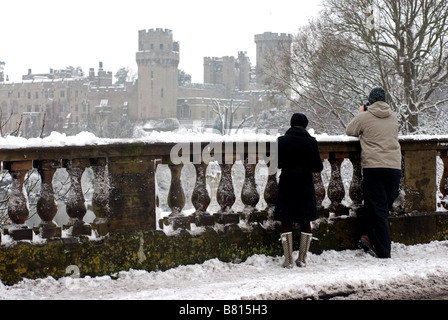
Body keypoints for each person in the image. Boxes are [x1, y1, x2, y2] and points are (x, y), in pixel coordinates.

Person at [346, 87, 402, 258]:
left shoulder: (365, 116)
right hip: (393, 167)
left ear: (370, 101)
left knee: (377, 208)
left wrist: (360, 113)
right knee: (382, 206)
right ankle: (367, 237)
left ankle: (384, 250)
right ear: (385, 101)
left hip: (374, 166)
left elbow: (350, 130)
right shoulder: (393, 116)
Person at [274, 113, 323, 268]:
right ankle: (302, 259)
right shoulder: (311, 142)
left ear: (291, 124)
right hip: (305, 184)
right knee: (305, 220)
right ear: (305, 125)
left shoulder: (281, 141)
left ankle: (288, 260)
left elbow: (277, 164)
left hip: (287, 182)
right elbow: (318, 167)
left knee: (286, 220)